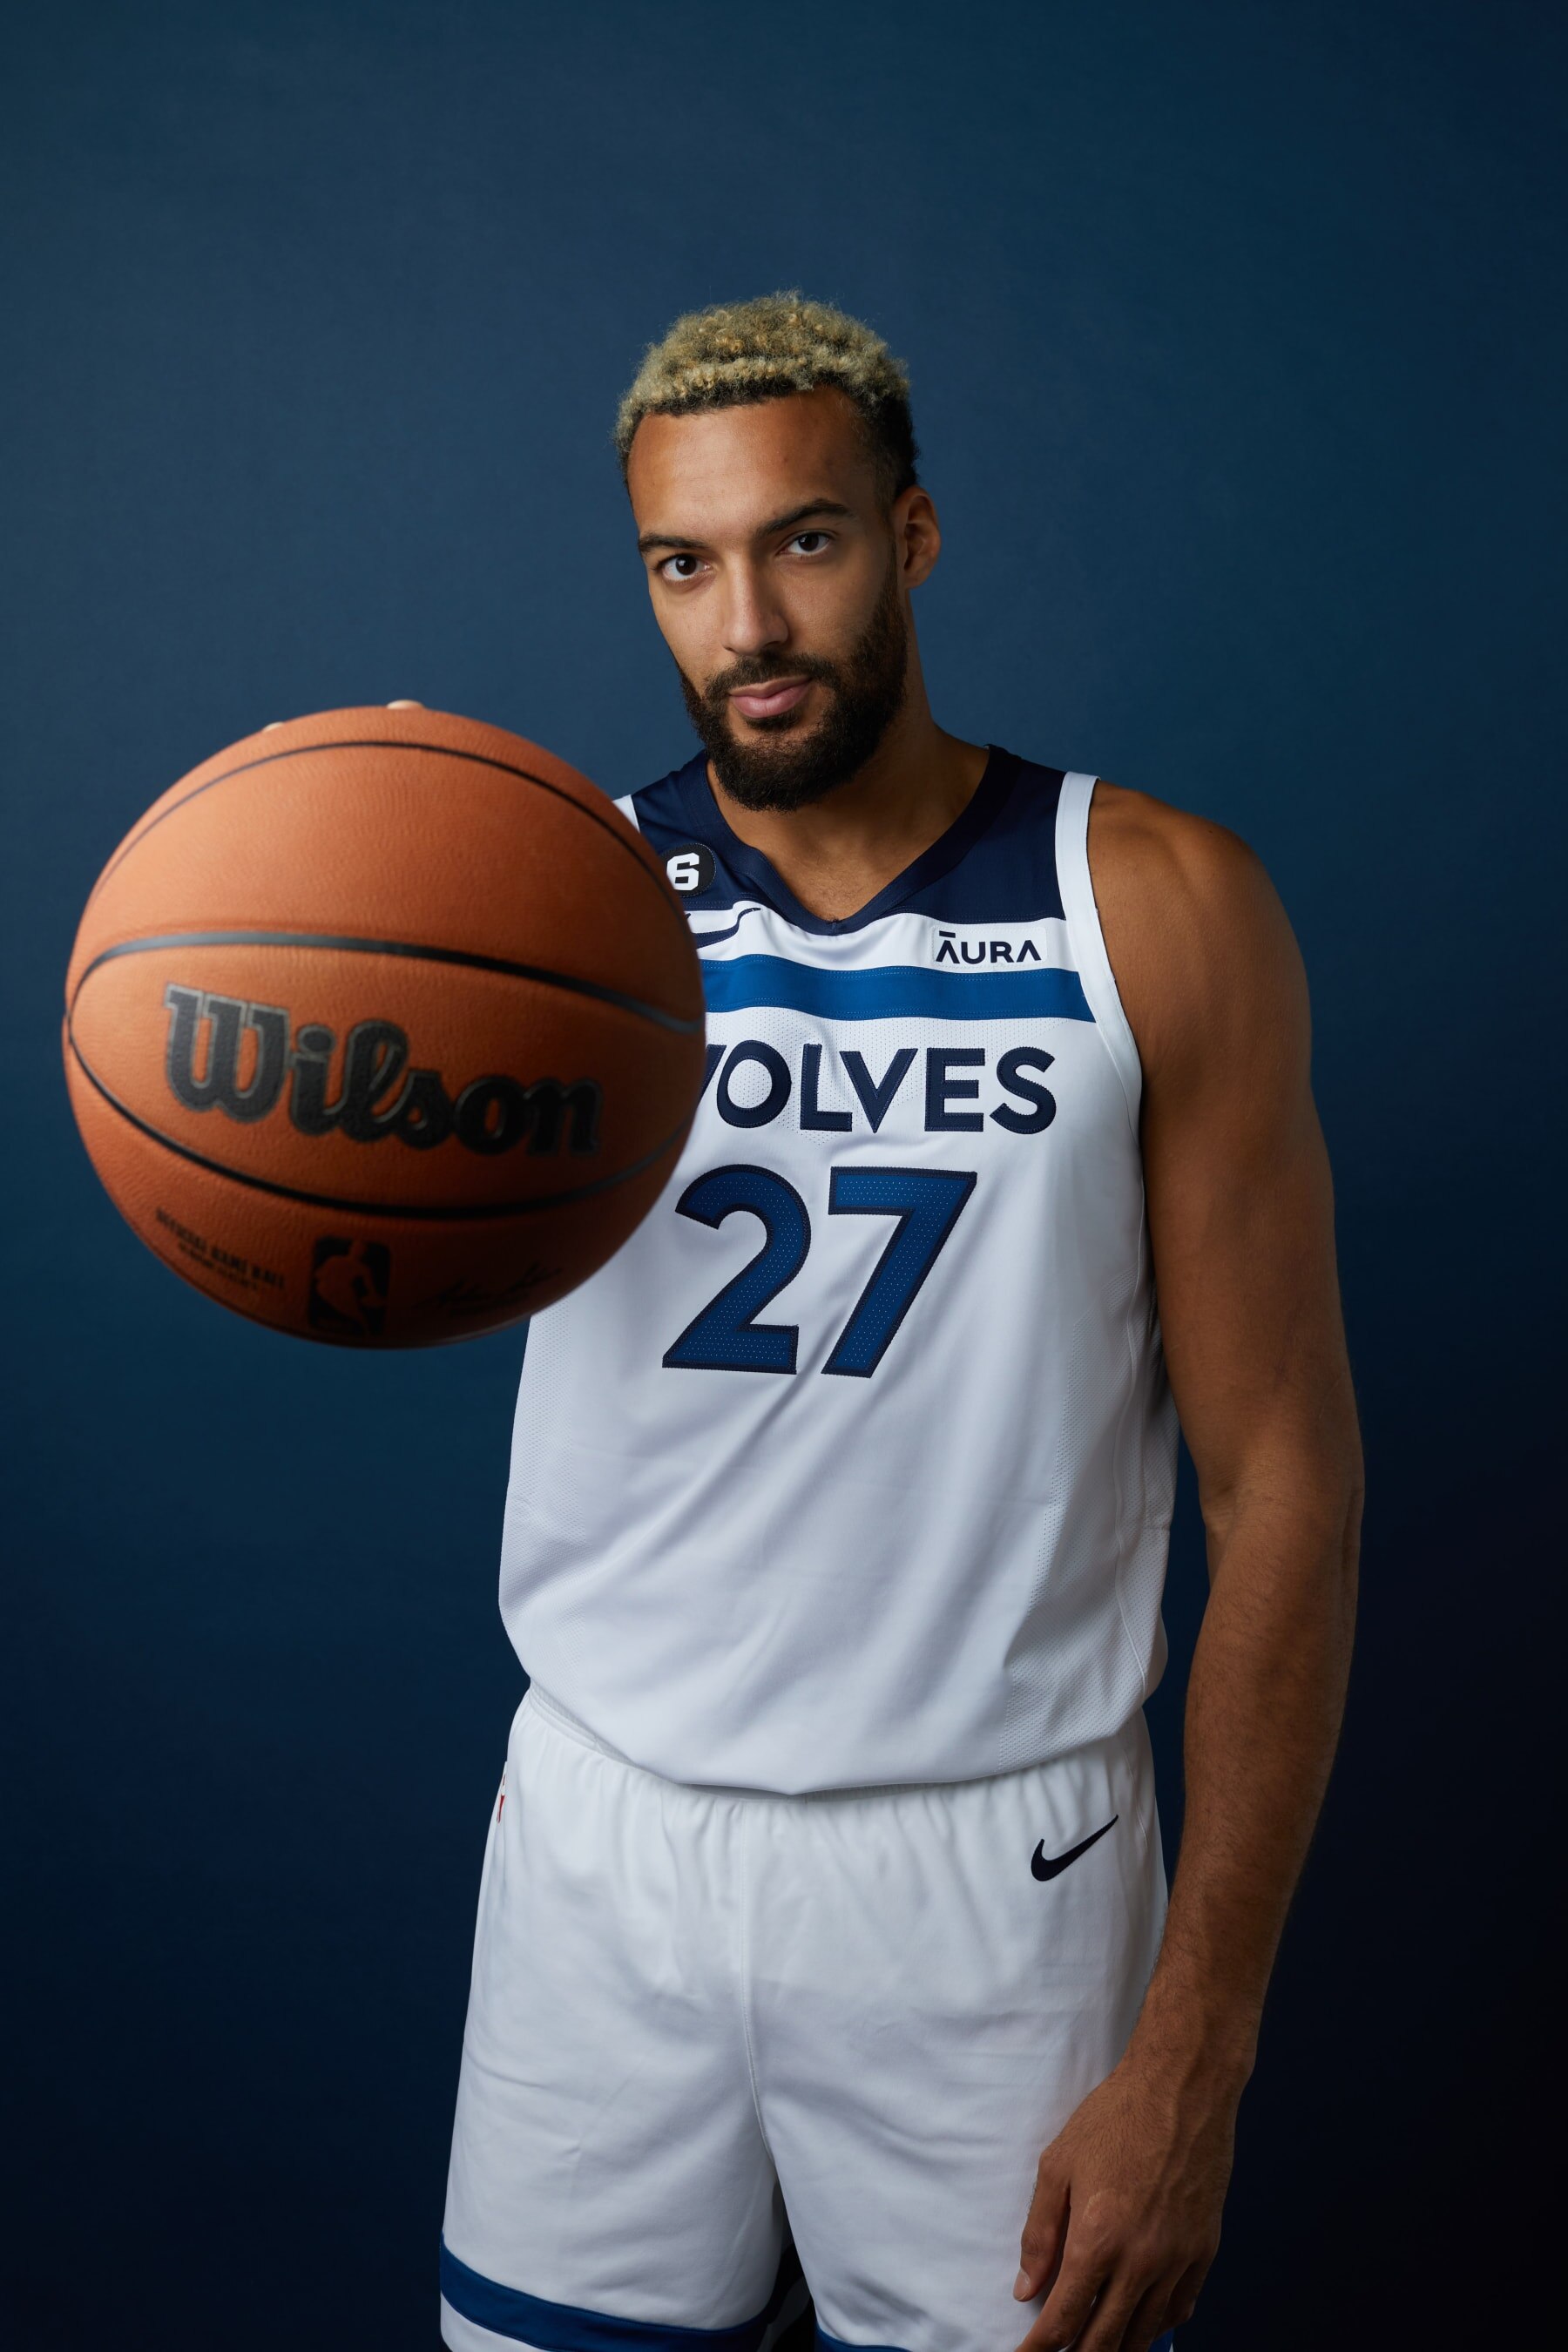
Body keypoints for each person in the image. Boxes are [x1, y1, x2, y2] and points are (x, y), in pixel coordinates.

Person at [437, 294, 1362, 2352]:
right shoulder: (537, 907)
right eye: (684, 564)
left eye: (808, 542)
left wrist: (1199, 2055)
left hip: (994, 1874)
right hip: (605, 1840)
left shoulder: (1153, 903)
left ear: (915, 536)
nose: (747, 622)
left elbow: (1283, 1480)